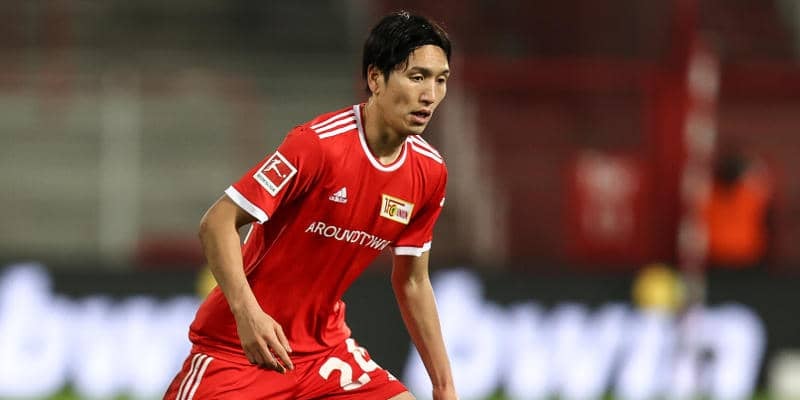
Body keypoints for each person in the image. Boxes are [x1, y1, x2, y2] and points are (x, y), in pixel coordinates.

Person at [163, 11, 457, 400]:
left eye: (440, 80)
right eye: (417, 77)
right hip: (240, 349)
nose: (430, 95)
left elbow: (413, 281)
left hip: (325, 353)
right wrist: (248, 315)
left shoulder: (430, 172)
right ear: (375, 79)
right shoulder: (318, 146)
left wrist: (443, 385)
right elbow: (217, 222)